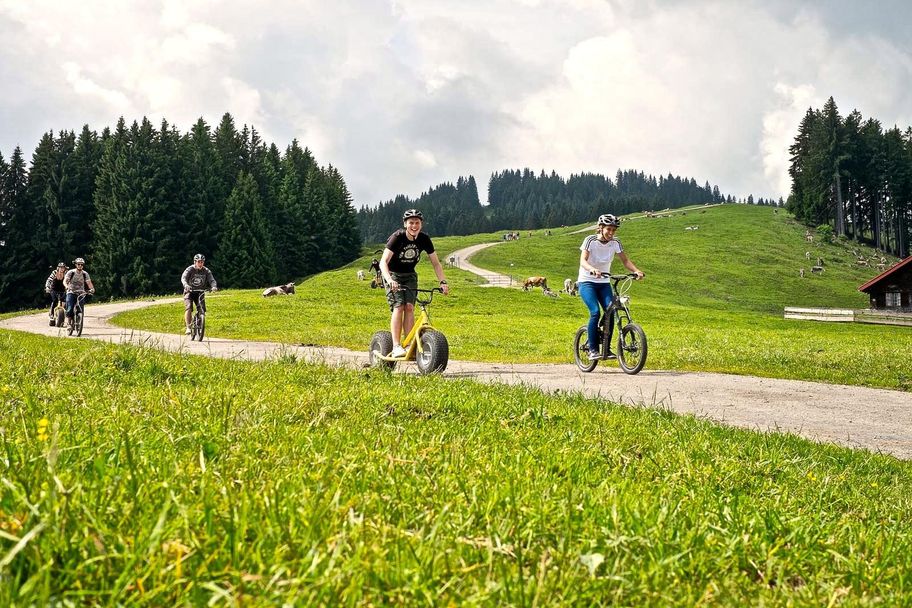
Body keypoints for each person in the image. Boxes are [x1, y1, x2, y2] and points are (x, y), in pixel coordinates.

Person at [379, 209, 449, 358]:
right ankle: (397, 345)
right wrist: (390, 280)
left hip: (410, 275)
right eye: (411, 223)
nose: (414, 226)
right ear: (405, 224)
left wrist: (443, 282)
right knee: (399, 306)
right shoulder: (397, 237)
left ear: (421, 224)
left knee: (410, 307)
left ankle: (409, 344)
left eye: (417, 223)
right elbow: (383, 262)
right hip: (393, 275)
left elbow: (436, 263)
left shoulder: (424, 239)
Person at [577, 214, 644, 360]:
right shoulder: (590, 240)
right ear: (600, 228)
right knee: (595, 312)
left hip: (603, 283)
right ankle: (593, 350)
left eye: (614, 230)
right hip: (587, 282)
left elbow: (625, 261)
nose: (611, 233)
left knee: (611, 311)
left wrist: (636, 271)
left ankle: (606, 349)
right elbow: (583, 260)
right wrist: (592, 269)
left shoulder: (615, 243)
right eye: (609, 229)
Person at [181, 253, 217, 334]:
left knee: (202, 309)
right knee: (189, 307)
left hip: (200, 292)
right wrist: (186, 285)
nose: (200, 264)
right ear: (195, 262)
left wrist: (214, 286)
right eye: (199, 262)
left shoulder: (206, 271)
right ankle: (188, 327)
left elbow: (212, 280)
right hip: (189, 292)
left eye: (202, 262)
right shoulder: (190, 269)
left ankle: (200, 325)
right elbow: (183, 278)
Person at [63, 258, 95, 325]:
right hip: (71, 292)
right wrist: (66, 286)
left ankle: (79, 322)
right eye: (78, 264)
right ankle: (69, 323)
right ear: (76, 265)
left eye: (81, 264)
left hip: (81, 293)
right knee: (70, 308)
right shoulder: (71, 272)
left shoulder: (85, 274)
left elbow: (89, 283)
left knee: (80, 309)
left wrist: (92, 289)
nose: (80, 265)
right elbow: (65, 281)